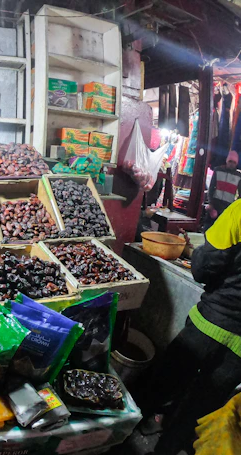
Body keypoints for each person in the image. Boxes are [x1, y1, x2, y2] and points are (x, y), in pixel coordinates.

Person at [140, 198, 241, 454]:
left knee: (161, 385)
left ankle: (118, 435)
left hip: (209, 325)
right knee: (199, 410)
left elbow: (203, 267)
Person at [206, 150, 241, 230]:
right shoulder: (218, 170)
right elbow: (211, 188)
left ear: (236, 164)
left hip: (228, 207)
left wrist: (234, 208)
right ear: (227, 161)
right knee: (208, 228)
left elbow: (240, 195)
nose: (231, 164)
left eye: (234, 162)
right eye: (230, 161)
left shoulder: (238, 176)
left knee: (222, 230)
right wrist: (210, 203)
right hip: (215, 204)